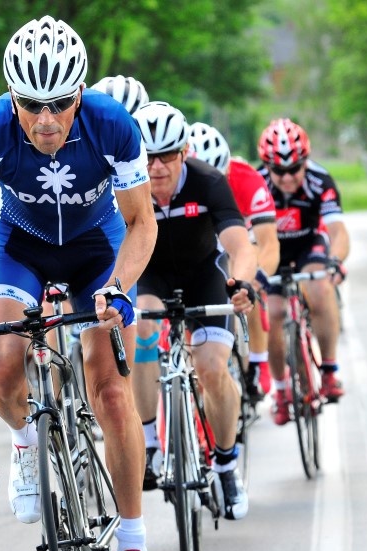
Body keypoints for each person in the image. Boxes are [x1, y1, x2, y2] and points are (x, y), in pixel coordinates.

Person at [0, 16, 161, 551]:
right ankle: (24, 440)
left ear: (79, 94)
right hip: (18, 246)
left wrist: (120, 286)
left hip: (96, 249)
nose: (45, 120)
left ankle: (133, 549)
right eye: (31, 105)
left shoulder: (112, 124)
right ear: (11, 97)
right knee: (0, 362)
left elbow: (142, 221)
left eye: (59, 104)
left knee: (111, 391)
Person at [131, 102, 256, 521]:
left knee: (211, 369)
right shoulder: (125, 186)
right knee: (143, 331)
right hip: (151, 276)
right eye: (147, 156)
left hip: (204, 274)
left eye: (167, 155)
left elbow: (240, 246)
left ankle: (226, 465)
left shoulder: (208, 181)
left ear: (185, 151)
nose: (156, 167)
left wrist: (242, 283)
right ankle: (151, 442)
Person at [256, 118, 350, 424]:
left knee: (320, 289)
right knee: (272, 313)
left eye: (295, 168)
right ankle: (282, 391)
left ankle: (329, 371)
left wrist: (335, 261)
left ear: (305, 161)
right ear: (266, 166)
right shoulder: (256, 185)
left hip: (309, 246)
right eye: (279, 170)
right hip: (272, 251)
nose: (287, 177)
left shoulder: (320, 180)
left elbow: (338, 231)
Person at [188, 121, 279, 402]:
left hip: (240, 236)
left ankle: (258, 362)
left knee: (247, 282)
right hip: (201, 242)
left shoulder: (248, 179)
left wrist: (256, 280)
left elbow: (268, 243)